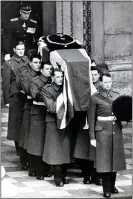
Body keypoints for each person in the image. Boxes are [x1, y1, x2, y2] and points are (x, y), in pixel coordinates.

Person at [88, 73, 126, 198]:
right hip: (102, 132)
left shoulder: (116, 96)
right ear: (100, 83)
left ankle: (112, 185)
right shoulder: (95, 98)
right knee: (105, 161)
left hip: (116, 130)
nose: (108, 84)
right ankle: (106, 189)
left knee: (114, 159)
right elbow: (91, 119)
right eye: (105, 82)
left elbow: (123, 114)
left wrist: (123, 118)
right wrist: (92, 137)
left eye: (109, 82)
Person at [41, 68, 71, 187]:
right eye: (57, 77)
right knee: (55, 150)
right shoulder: (46, 89)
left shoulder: (67, 89)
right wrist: (63, 97)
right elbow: (52, 108)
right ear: (52, 78)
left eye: (62, 77)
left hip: (65, 122)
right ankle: (57, 176)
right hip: (53, 121)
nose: (60, 79)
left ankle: (63, 175)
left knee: (64, 149)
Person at [1, 40, 29, 156]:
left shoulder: (27, 61)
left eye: (22, 49)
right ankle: (18, 147)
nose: (21, 51)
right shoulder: (8, 64)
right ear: (14, 50)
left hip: (26, 96)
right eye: (19, 49)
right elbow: (6, 83)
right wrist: (7, 100)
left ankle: (25, 146)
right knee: (16, 122)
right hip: (15, 96)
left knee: (26, 121)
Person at [27, 61, 53, 180]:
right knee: (37, 143)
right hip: (38, 114)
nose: (49, 71)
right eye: (47, 69)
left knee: (48, 142)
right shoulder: (35, 81)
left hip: (49, 114)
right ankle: (37, 170)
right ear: (41, 70)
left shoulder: (53, 81)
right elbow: (35, 95)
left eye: (50, 69)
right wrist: (48, 92)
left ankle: (46, 169)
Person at [18, 49, 41, 172]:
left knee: (35, 136)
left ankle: (34, 162)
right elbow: (28, 90)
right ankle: (23, 161)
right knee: (26, 135)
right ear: (30, 63)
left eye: (39, 63)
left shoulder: (42, 74)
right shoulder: (25, 74)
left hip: (39, 108)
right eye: (36, 62)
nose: (38, 65)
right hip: (29, 106)